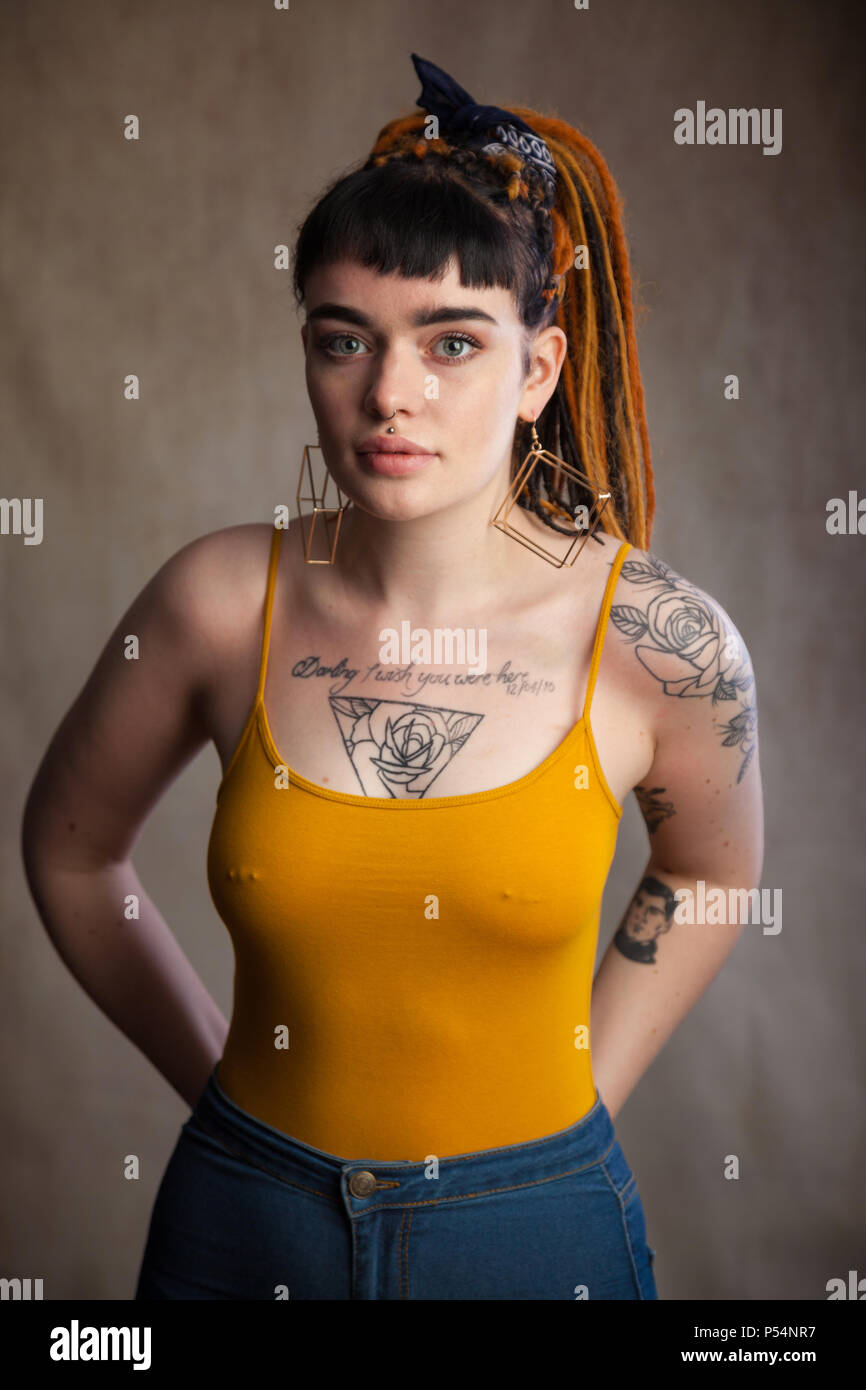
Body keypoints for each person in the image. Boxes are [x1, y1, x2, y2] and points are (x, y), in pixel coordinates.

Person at [21, 53, 763, 1301]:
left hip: (533, 1235)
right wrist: (220, 1095)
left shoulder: (656, 637)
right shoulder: (216, 603)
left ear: (537, 371)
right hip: (243, 1227)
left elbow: (713, 874)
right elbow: (69, 851)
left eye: (453, 341)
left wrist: (575, 1105)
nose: (388, 394)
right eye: (342, 339)